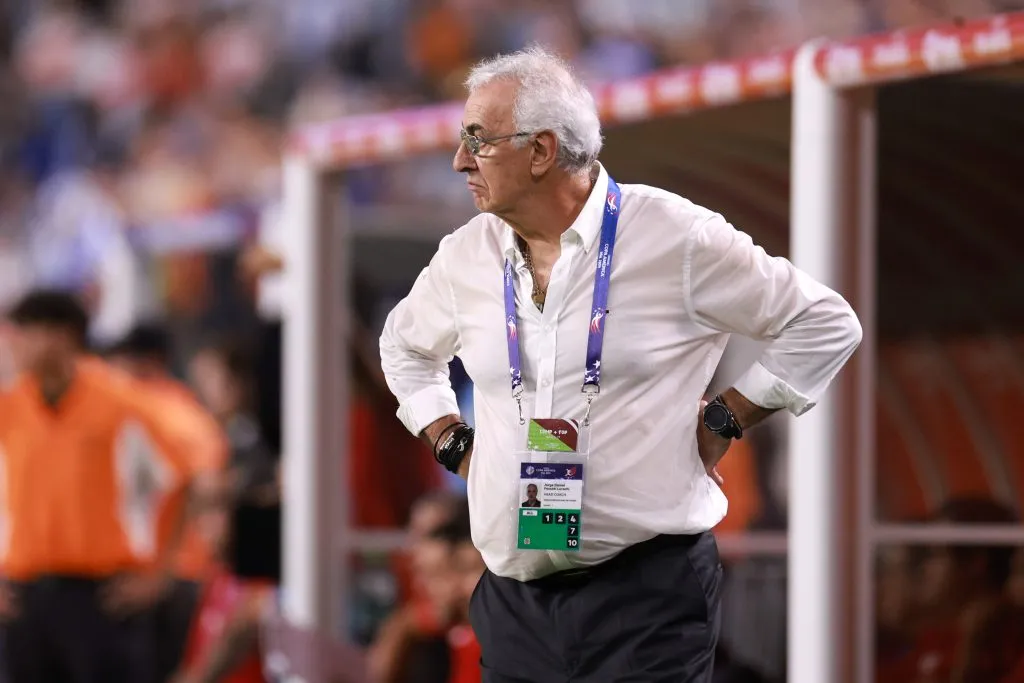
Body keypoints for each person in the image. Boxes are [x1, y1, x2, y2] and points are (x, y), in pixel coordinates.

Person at [378, 47, 862, 682]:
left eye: (478, 139)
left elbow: (824, 322)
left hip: (646, 595)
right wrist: (452, 441)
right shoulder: (465, 254)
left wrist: (726, 417)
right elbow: (404, 348)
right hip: (514, 601)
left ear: (542, 151)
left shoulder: (675, 235)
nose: (459, 159)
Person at [0, 290, 195, 683]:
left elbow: (179, 479)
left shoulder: (120, 404)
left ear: (64, 336)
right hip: (25, 597)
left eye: (24, 332)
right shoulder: (11, 406)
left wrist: (159, 573)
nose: (14, 344)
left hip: (101, 599)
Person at [107, 322, 230, 683]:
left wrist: (163, 573)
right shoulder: (179, 411)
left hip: (173, 579)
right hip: (169, 576)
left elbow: (207, 491)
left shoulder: (167, 414)